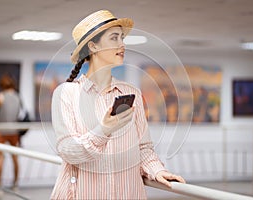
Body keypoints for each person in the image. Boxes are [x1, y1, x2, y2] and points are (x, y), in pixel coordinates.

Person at [51, 10, 185, 199]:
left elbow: (143, 148)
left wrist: (157, 171)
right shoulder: (66, 93)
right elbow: (68, 151)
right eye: (114, 38)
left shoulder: (132, 94)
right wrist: (103, 130)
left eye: (122, 38)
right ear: (93, 46)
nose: (122, 44)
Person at [0, 74, 21, 190]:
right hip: (14, 130)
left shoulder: (0, 96)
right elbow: (19, 113)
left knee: (0, 158)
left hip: (1, 130)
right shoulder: (17, 97)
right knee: (15, 158)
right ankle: (15, 184)